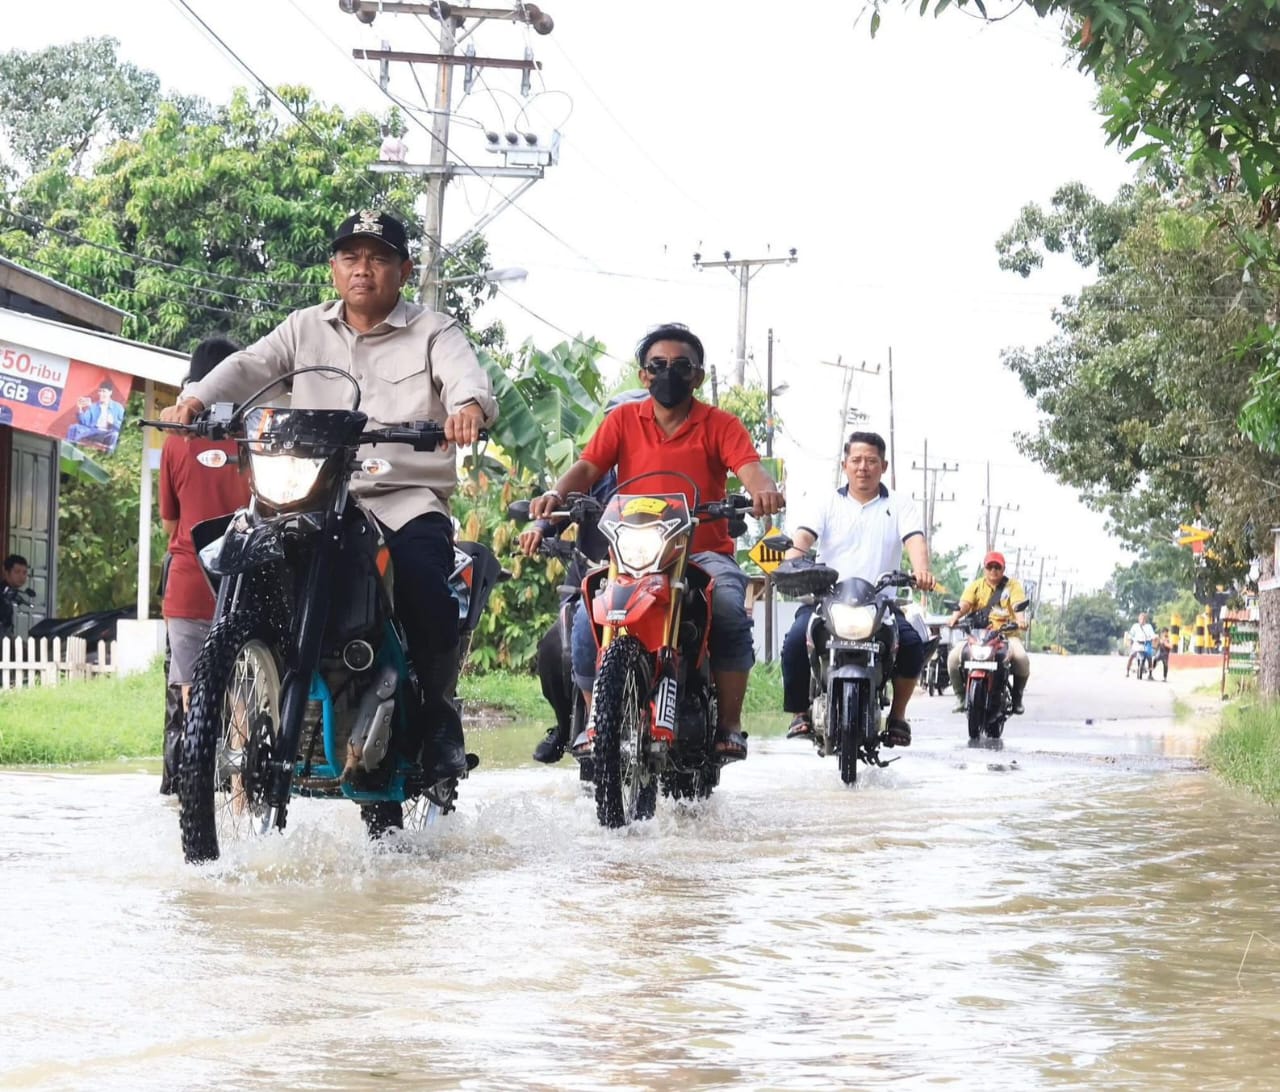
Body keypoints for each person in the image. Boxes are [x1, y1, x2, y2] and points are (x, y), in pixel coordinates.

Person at [160, 210, 497, 781]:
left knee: (423, 582)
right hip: (308, 493)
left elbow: (467, 380)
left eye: (378, 257)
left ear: (404, 269)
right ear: (335, 269)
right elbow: (249, 366)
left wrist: (466, 408)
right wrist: (194, 400)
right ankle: (249, 672)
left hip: (401, 495)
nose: (363, 268)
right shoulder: (303, 328)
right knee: (243, 557)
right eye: (351, 256)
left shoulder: (435, 331)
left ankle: (439, 719)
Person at [529, 322, 784, 762]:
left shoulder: (720, 424)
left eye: (681, 366)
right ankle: (596, 724)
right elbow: (588, 469)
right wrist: (556, 494)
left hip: (701, 551)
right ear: (643, 374)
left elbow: (749, 467)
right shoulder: (622, 421)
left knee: (726, 606)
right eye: (658, 365)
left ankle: (730, 725)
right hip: (633, 550)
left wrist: (762, 488)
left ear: (698, 375)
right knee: (591, 613)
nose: (668, 373)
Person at [518, 388, 649, 764]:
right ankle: (567, 725)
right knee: (555, 647)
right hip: (592, 581)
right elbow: (557, 505)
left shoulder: (663, 471)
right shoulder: (592, 473)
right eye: (615, 422)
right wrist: (539, 528)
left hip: (650, 581)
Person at [780, 432, 935, 747]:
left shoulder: (901, 505)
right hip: (827, 599)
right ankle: (799, 713)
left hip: (879, 601)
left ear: (884, 466)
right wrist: (792, 560)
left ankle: (898, 717)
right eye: (857, 460)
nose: (863, 467)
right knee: (796, 640)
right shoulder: (826, 502)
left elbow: (915, 540)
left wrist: (922, 570)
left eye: (871, 461)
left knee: (912, 644)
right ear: (845, 465)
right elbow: (803, 539)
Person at [157, 336, 250, 794]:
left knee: (195, 692)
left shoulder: (175, 441)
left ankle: (196, 786)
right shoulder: (253, 438)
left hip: (189, 579)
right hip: (242, 579)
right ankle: (241, 796)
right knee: (244, 690)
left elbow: (170, 517)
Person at [947, 552, 1031, 713]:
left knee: (1022, 659)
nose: (993, 570)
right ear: (984, 569)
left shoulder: (1012, 586)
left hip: (1006, 636)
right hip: (979, 636)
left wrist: (1020, 620)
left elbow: (1017, 604)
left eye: (997, 567)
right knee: (952, 658)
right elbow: (964, 603)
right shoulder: (976, 585)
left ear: (1003, 569)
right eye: (990, 567)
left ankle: (1017, 698)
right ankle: (960, 697)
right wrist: (955, 617)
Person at [67, 381, 126, 451]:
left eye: (104, 391)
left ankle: (108, 456)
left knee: (115, 435)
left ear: (110, 392)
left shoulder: (118, 407)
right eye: (100, 391)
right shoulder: (94, 406)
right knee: (74, 427)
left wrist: (113, 423)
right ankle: (68, 448)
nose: (101, 394)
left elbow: (122, 427)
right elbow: (84, 422)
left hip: (107, 433)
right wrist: (80, 409)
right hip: (93, 431)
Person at [0, 554, 32, 639]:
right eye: (17, 572)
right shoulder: (4, 592)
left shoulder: (13, 593)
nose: (21, 576)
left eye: (24, 573)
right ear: (6, 572)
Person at [1125, 611, 1157, 677]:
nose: (1142, 620)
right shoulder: (1135, 626)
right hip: (1137, 644)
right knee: (1131, 656)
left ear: (1145, 620)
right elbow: (1131, 634)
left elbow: (1152, 635)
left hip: (1146, 644)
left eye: (1143, 619)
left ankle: (1150, 674)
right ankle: (1127, 671)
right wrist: (1130, 638)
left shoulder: (1149, 627)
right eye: (1140, 619)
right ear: (1139, 619)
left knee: (1149, 657)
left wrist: (1154, 637)